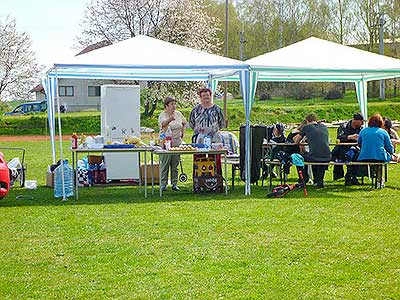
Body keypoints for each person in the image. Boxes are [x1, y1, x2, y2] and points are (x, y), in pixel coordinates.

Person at [294, 113, 331, 188]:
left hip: (314, 157)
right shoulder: (324, 127)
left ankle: (303, 180)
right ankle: (319, 181)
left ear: (307, 121)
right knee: (317, 155)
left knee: (298, 157)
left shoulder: (306, 127)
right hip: (328, 156)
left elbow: (296, 142)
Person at [158, 97, 187, 191]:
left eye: (175, 104)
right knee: (165, 164)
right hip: (165, 143)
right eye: (171, 104)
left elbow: (184, 123)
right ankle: (163, 184)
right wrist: (170, 119)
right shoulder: (163, 115)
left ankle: (174, 184)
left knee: (175, 164)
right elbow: (163, 124)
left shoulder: (178, 114)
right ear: (166, 106)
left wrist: (182, 133)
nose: (174, 106)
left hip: (177, 142)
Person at [358, 114, 394, 187]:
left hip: (364, 157)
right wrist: (391, 153)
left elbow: (359, 143)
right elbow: (389, 147)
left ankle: (376, 177)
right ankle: (379, 181)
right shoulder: (383, 132)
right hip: (379, 157)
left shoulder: (363, 131)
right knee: (380, 162)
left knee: (374, 162)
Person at [331, 112, 364, 185]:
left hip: (355, 150)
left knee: (356, 155)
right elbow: (339, 137)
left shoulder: (361, 129)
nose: (362, 124)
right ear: (355, 120)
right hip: (342, 150)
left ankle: (351, 176)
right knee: (349, 156)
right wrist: (350, 137)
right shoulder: (343, 126)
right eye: (361, 122)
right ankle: (349, 177)